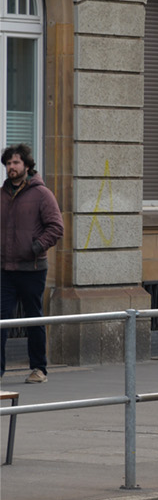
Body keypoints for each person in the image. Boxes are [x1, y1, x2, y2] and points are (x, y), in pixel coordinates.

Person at [2, 143, 65, 384]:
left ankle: (39, 369)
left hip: (33, 269)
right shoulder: (2, 195)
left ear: (27, 166)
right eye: (8, 163)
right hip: (5, 270)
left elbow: (56, 227)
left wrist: (35, 247)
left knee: (33, 318)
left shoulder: (42, 194)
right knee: (2, 319)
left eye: (16, 163)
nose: (11, 167)